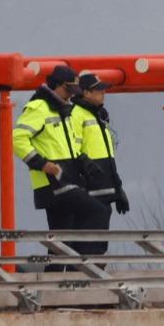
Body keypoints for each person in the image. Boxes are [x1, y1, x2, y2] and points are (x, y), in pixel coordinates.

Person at [12, 65, 83, 253]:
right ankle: (56, 276)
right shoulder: (40, 108)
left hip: (68, 180)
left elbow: (68, 146)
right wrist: (41, 164)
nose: (71, 95)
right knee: (63, 237)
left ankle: (62, 276)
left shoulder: (63, 110)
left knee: (69, 237)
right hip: (51, 183)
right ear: (57, 86)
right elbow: (17, 139)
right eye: (69, 90)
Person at [60, 71, 129, 258]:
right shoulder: (76, 114)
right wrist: (84, 165)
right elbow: (71, 147)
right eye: (98, 90)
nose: (103, 93)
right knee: (87, 243)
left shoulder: (97, 116)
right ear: (86, 93)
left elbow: (107, 156)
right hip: (89, 189)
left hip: (104, 189)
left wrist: (118, 189)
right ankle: (84, 278)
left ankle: (93, 275)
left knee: (99, 242)